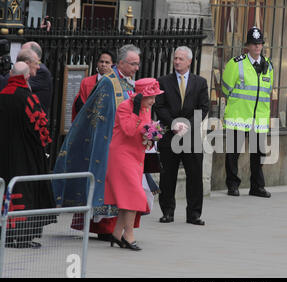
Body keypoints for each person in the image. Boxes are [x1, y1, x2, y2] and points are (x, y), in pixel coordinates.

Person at [52, 44, 141, 240]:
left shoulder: (128, 82)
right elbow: (100, 117)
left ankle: (118, 232)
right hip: (109, 142)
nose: (136, 68)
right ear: (121, 63)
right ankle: (107, 230)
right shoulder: (109, 83)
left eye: (137, 64)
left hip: (125, 144)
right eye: (133, 64)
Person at [0, 62, 55, 248]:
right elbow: (41, 129)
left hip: (3, 157)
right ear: (26, 77)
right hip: (25, 157)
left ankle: (5, 235)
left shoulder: (1, 96)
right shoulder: (28, 98)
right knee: (24, 194)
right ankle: (23, 237)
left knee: (4, 193)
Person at [105, 78, 163, 251]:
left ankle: (116, 234)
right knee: (134, 195)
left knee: (127, 197)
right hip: (121, 156)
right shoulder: (125, 107)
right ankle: (128, 234)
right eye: (150, 97)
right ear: (140, 96)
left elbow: (145, 129)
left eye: (154, 96)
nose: (153, 101)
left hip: (136, 156)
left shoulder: (146, 108)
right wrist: (137, 110)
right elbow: (130, 130)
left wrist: (154, 136)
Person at [154, 46, 209, 225]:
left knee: (194, 175)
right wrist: (173, 124)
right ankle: (167, 212)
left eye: (181, 59)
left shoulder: (200, 82)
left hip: (191, 136)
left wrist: (187, 125)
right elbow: (159, 106)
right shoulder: (163, 81)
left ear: (189, 62)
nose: (177, 62)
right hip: (170, 135)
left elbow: (203, 108)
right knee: (167, 175)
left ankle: (194, 214)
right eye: (175, 58)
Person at [221, 27, 274, 198]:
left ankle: (257, 187)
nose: (257, 47)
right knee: (233, 153)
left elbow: (268, 91)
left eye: (259, 44)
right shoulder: (236, 63)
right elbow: (226, 88)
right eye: (254, 44)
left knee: (258, 155)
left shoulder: (268, 65)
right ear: (248, 46)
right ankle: (233, 185)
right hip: (238, 115)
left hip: (259, 118)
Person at [72, 50, 115, 121]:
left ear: (113, 65)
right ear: (97, 63)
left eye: (107, 62)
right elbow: (81, 105)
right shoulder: (86, 82)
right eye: (101, 62)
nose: (103, 65)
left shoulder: (116, 83)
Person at [21, 41, 53, 115]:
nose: (20, 55)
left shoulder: (40, 71)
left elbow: (20, 85)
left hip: (36, 119)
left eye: (24, 53)